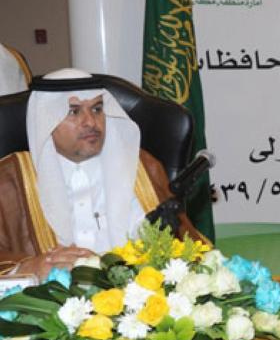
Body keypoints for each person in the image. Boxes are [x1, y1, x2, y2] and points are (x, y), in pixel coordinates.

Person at [0, 69, 204, 279]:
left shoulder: (142, 166)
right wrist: (28, 267)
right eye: (74, 112)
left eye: (97, 109)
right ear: (46, 119)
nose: (91, 122)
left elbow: (183, 241)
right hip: (53, 296)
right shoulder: (10, 178)